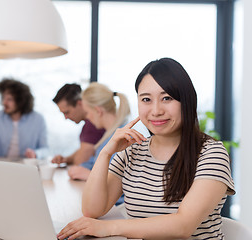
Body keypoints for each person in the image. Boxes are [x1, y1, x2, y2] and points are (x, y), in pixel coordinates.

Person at [57, 58, 235, 240]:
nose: (156, 110)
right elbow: (92, 209)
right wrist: (105, 153)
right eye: (146, 99)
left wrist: (108, 227)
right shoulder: (131, 152)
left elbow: (183, 226)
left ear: (187, 101)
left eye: (167, 98)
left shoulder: (211, 153)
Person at [67, 82, 130, 184]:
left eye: (87, 113)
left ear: (98, 111)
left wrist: (88, 175)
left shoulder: (123, 138)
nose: (87, 117)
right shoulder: (107, 136)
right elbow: (93, 163)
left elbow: (122, 183)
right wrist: (81, 169)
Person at [0, 78, 48, 160]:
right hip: (1, 165)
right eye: (3, 98)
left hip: (27, 166)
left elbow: (45, 149)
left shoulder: (38, 119)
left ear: (21, 101)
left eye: (9, 99)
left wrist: (36, 154)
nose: (4, 103)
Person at [51, 83, 105, 165]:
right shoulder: (88, 124)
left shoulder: (92, 125)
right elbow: (82, 150)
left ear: (80, 103)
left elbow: (81, 162)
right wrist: (66, 159)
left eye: (67, 112)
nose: (65, 117)